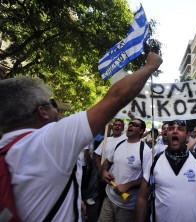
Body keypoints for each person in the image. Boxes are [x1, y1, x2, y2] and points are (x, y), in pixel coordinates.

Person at [0, 52, 162, 221]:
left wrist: (74, 198)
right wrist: (150, 66)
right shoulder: (50, 141)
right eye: (52, 104)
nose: (57, 110)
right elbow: (117, 97)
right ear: (42, 112)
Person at [135, 120, 196, 222]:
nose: (175, 131)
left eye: (180, 129)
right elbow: (142, 198)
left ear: (187, 135)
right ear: (166, 133)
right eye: (171, 129)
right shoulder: (155, 161)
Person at [98, 118, 151, 222]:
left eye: (135, 124)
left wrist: (128, 185)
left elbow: (148, 178)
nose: (130, 125)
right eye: (130, 123)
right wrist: (104, 171)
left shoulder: (145, 151)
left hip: (127, 206)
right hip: (109, 198)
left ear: (141, 131)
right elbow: (107, 162)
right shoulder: (119, 144)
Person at [94, 119, 127, 214]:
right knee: (102, 197)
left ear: (123, 128)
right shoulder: (106, 139)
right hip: (104, 175)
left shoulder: (125, 139)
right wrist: (100, 170)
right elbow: (96, 155)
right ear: (112, 127)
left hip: (116, 176)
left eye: (119, 125)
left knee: (114, 200)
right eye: (115, 125)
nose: (117, 126)